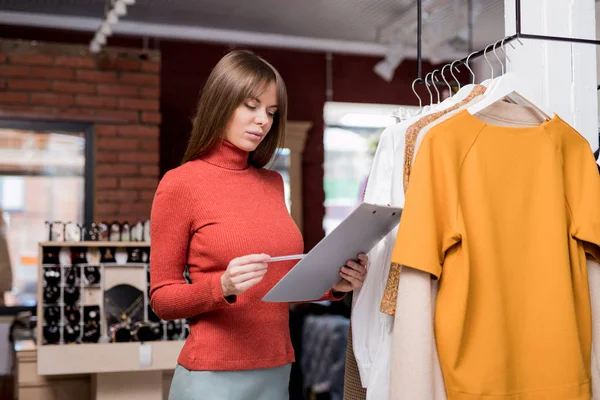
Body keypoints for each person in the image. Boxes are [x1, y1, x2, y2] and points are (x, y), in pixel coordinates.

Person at [149, 49, 368, 400]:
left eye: (271, 112)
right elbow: (162, 299)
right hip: (211, 377)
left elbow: (278, 282)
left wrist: (335, 285)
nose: (263, 121)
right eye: (251, 106)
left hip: (277, 369)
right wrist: (220, 285)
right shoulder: (180, 184)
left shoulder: (272, 183)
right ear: (221, 103)